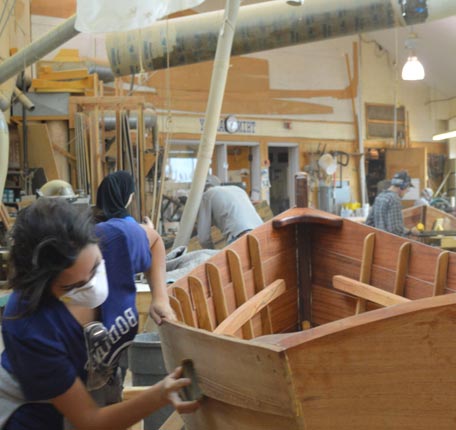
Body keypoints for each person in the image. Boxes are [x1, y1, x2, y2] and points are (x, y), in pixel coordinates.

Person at [0, 198, 199, 429]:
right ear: (44, 287)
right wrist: (159, 395)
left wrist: (160, 298)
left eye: (95, 267)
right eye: (72, 286)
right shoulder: (29, 324)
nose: (91, 285)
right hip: (36, 407)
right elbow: (89, 421)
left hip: (96, 388)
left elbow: (154, 243)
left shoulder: (116, 241)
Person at [94, 170, 174, 324]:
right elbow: (154, 240)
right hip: (116, 314)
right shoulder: (126, 229)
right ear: (127, 196)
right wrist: (160, 298)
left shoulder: (89, 225)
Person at [197, 175, 263, 249]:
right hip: (261, 231)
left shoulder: (206, 196)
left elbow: (203, 238)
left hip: (240, 235)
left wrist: (211, 255)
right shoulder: (237, 189)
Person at [365, 170, 413, 237]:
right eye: (407, 188)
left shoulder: (380, 197)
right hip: (392, 244)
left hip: (381, 242)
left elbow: (369, 223)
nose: (407, 191)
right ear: (403, 186)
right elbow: (395, 229)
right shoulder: (394, 199)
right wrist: (410, 231)